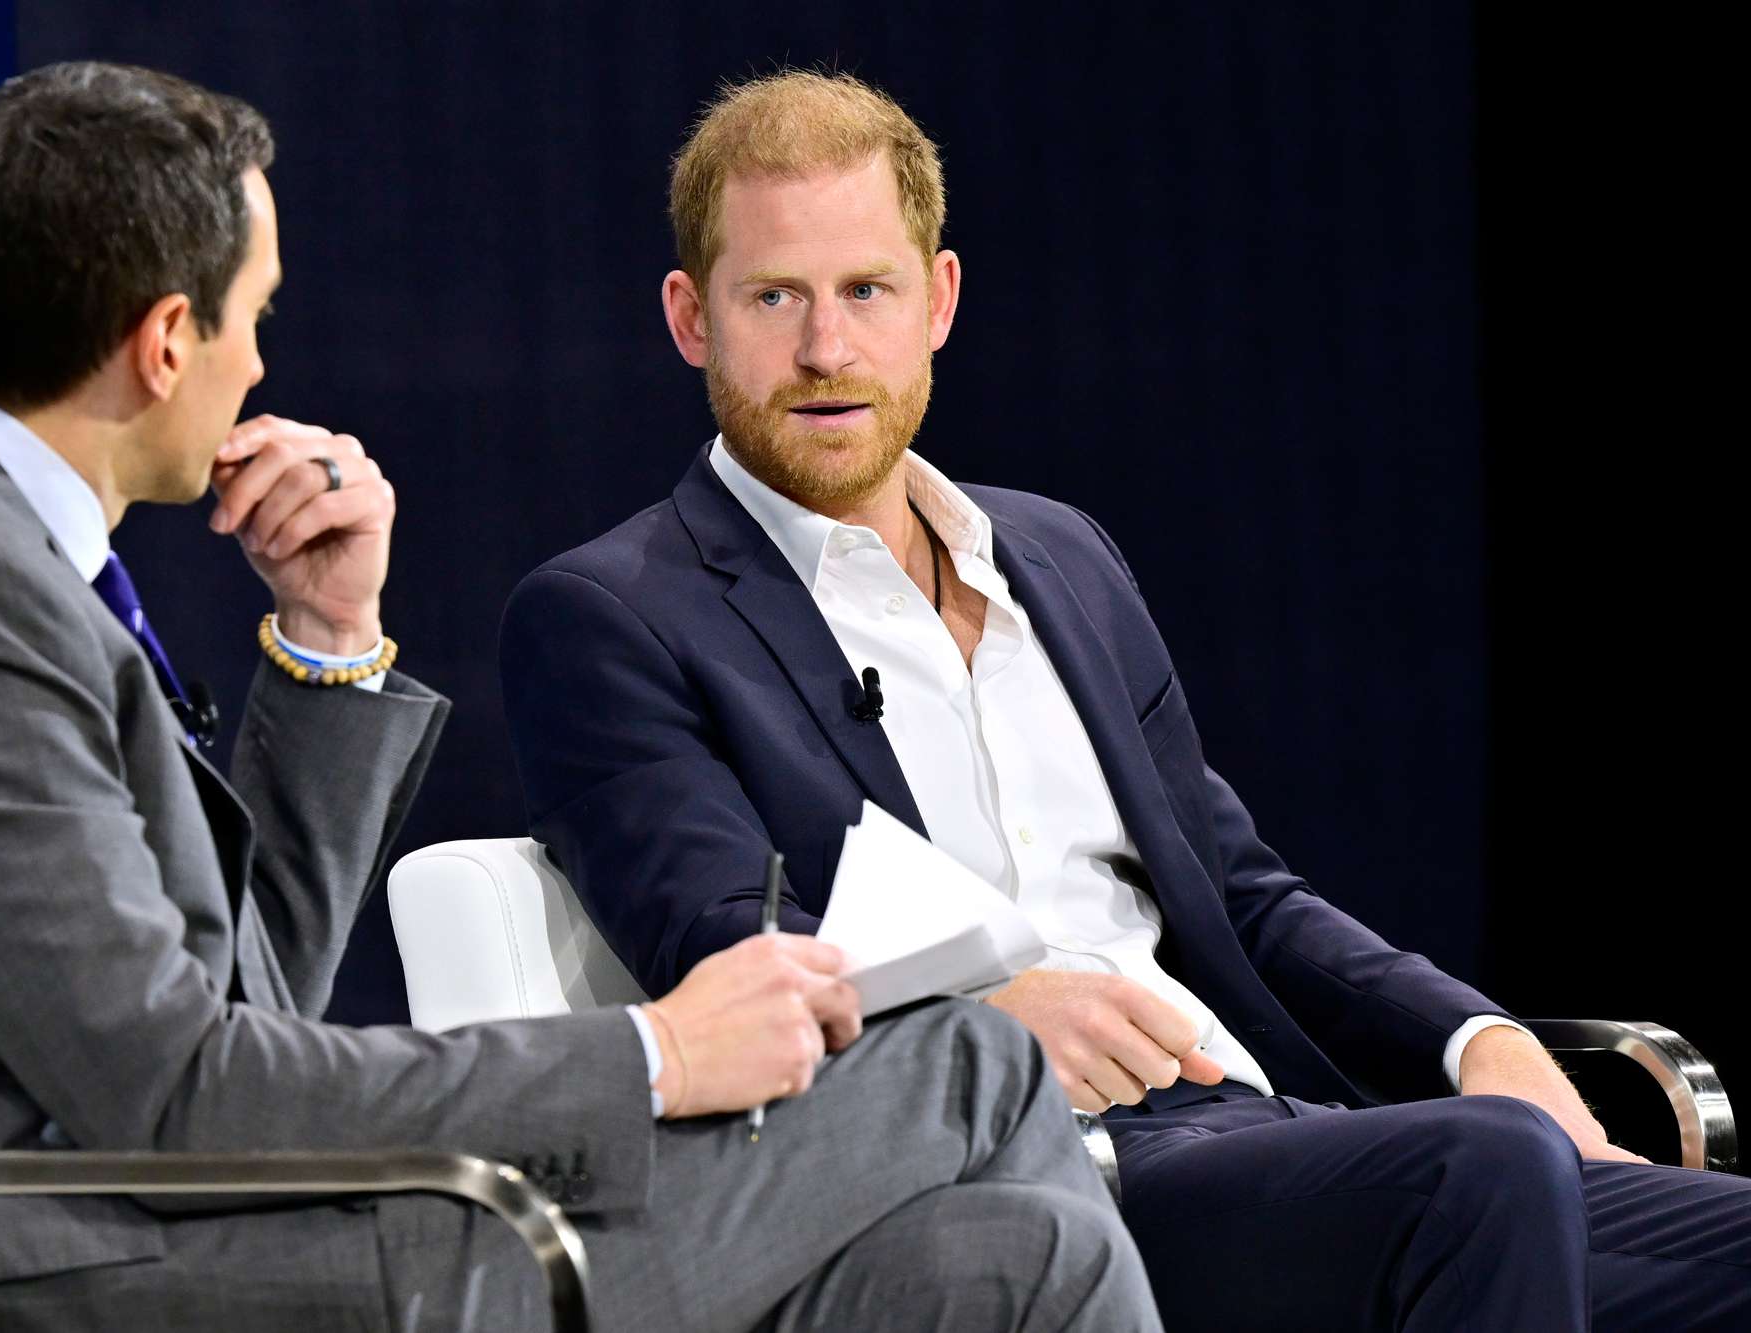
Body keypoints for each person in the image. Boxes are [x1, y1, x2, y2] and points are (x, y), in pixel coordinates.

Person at [0, 62, 1157, 1333]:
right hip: (46, 1267)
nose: (261, 362)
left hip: (150, 1223)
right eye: (259, 317)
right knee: (970, 1069)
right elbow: (177, 1097)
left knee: (1011, 1252)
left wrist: (328, 638)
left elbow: (243, 1006)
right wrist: (653, 1053)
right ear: (169, 339)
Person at [499, 69, 1751, 1330]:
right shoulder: (612, 613)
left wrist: (1470, 1040)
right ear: (689, 317)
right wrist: (981, 1020)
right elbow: (720, 943)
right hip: (1019, 1178)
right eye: (775, 297)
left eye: (864, 290)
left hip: (1258, 1126)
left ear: (936, 300)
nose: (826, 349)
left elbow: (1239, 896)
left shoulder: (1058, 557)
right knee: (1478, 1166)